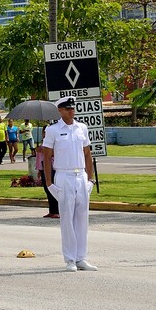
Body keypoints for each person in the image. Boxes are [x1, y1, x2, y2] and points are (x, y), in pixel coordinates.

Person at [42, 96, 98, 272]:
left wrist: (91, 179)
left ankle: (82, 257)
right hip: (64, 175)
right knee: (67, 219)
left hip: (80, 175)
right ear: (60, 110)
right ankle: (70, 259)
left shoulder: (82, 128)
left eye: (72, 108)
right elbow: (46, 157)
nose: (71, 111)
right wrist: (49, 183)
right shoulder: (53, 130)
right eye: (67, 109)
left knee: (82, 218)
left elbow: (88, 154)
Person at [36, 127, 59, 219]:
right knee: (47, 190)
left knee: (52, 188)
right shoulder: (44, 143)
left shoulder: (53, 143)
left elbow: (55, 153)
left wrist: (43, 151)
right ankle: (51, 210)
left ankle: (57, 210)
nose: (44, 134)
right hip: (42, 167)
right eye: (43, 132)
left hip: (51, 167)